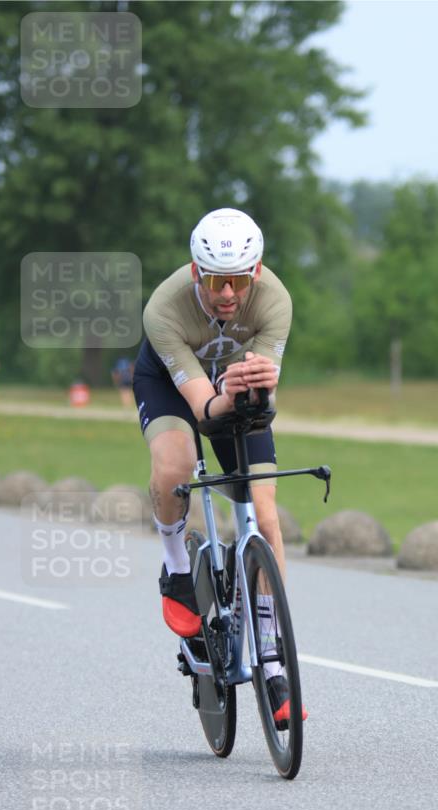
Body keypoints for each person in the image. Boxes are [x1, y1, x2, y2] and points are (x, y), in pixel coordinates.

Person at [133, 207, 301, 721]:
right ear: (194, 273)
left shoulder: (276, 302)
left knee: (266, 513)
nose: (226, 294)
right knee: (176, 466)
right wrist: (231, 391)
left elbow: (261, 397)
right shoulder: (164, 308)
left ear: (255, 271)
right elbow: (205, 410)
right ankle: (178, 569)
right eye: (214, 281)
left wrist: (255, 390)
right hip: (175, 387)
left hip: (237, 390)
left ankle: (273, 660)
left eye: (237, 281)